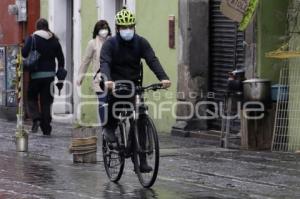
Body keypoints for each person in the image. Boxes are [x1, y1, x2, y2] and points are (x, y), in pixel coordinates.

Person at [100, 7, 171, 172]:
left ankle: (141, 159)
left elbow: (152, 60)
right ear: (117, 28)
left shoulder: (141, 42)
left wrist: (163, 77)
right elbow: (105, 63)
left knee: (141, 115)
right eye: (124, 27)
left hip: (134, 83)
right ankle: (109, 128)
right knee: (114, 105)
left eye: (130, 26)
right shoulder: (110, 44)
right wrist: (108, 80)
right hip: (116, 83)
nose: (127, 30)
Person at [22, 18, 65, 135]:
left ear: (37, 27)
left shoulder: (32, 38)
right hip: (50, 76)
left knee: (31, 98)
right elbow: (61, 59)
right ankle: (46, 128)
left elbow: (24, 53)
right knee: (46, 102)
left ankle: (36, 118)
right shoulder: (54, 40)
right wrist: (60, 73)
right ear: (47, 27)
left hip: (35, 75)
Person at [77, 20, 111, 124]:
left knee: (113, 104)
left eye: (105, 28)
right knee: (103, 103)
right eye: (101, 29)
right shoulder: (92, 43)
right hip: (99, 80)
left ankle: (112, 126)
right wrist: (80, 76)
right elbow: (86, 61)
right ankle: (104, 127)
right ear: (97, 31)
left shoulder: (112, 41)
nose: (104, 31)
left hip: (113, 78)